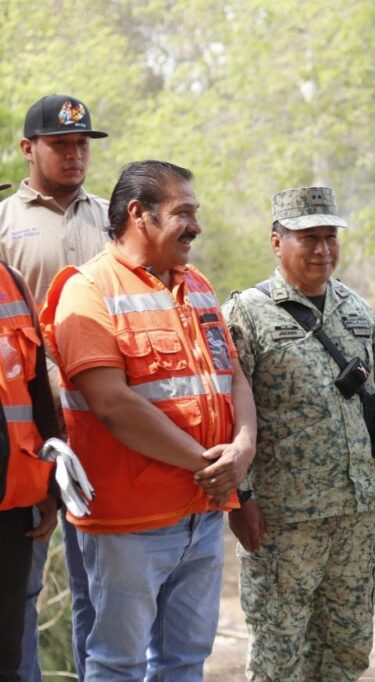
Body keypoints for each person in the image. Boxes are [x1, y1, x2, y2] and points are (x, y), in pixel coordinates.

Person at [39, 160, 257, 680]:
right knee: (118, 664)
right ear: (139, 214)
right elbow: (111, 404)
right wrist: (211, 463)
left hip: (200, 516)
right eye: (183, 213)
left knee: (185, 662)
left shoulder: (197, 285)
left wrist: (243, 448)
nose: (196, 226)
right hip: (128, 525)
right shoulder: (87, 290)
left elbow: (235, 378)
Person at [223, 186, 375, 681]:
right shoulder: (247, 314)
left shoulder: (356, 310)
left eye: (330, 237)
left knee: (346, 649)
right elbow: (227, 414)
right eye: (308, 238)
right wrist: (240, 498)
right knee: (278, 655)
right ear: (276, 242)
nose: (322, 250)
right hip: (284, 521)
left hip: (354, 516)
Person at [0, 94, 109, 681]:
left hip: (105, 418)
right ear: (28, 149)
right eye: (60, 144)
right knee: (24, 581)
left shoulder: (115, 219)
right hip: (32, 430)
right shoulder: (4, 224)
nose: (73, 155)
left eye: (81, 145)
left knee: (104, 579)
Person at [0, 200, 61, 680]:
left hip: (14, 502)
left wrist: (52, 485)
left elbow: (38, 391)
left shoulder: (12, 284)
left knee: (9, 646)